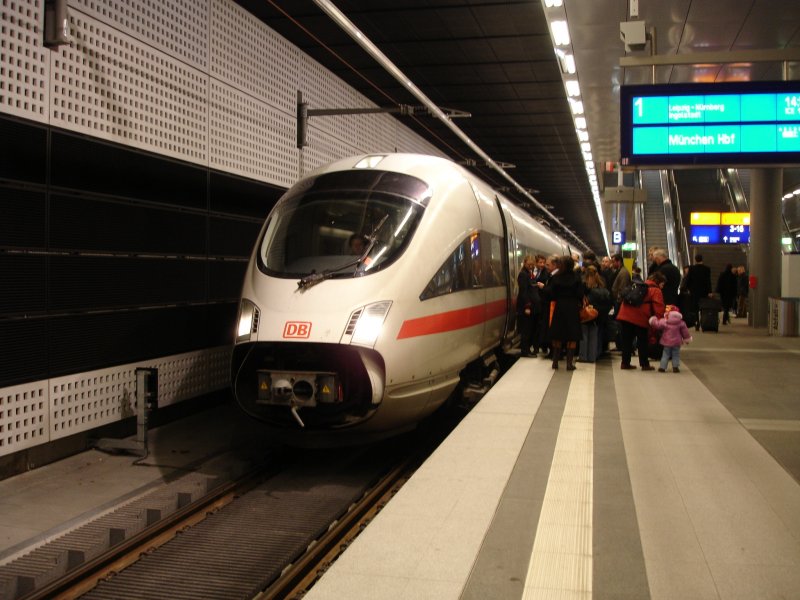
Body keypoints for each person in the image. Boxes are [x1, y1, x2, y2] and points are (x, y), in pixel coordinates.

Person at [540, 255, 584, 370]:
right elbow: (580, 293)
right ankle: (569, 364)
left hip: (559, 307)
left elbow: (551, 294)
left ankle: (555, 362)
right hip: (572, 308)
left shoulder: (556, 277)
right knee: (572, 336)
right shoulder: (576, 277)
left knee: (557, 335)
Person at [616, 271, 666, 371]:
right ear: (659, 282)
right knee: (642, 341)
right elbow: (659, 308)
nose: (662, 287)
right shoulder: (655, 290)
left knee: (627, 340)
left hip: (625, 314)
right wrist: (660, 321)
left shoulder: (637, 285)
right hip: (640, 317)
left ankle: (625, 363)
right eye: (662, 284)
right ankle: (644, 364)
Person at [579, 266, 611, 363]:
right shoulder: (602, 285)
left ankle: (583, 356)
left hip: (588, 314)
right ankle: (593, 356)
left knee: (584, 335)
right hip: (599, 315)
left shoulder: (586, 286)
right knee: (595, 336)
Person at [649, 305, 693, 372]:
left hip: (667, 342)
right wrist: (687, 339)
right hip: (676, 342)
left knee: (665, 354)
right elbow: (685, 332)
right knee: (676, 354)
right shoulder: (681, 322)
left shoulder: (665, 321)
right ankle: (675, 367)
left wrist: (653, 320)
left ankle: (662, 367)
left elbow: (657, 324)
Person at [683, 254, 712, 331]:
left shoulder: (692, 268)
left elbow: (688, 279)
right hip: (704, 291)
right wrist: (710, 291)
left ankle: (697, 322)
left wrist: (686, 288)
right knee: (703, 307)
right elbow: (708, 281)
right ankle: (703, 321)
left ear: (695, 260)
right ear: (702, 259)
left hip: (694, 291)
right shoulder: (707, 269)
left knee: (695, 308)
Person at [516, 255, 537, 357]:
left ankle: (527, 349)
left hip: (528, 305)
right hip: (525, 307)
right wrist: (527, 306)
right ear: (524, 263)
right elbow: (523, 292)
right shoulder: (523, 275)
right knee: (526, 330)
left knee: (528, 329)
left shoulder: (528, 273)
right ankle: (525, 351)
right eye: (529, 264)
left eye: (532, 265)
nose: (531, 266)